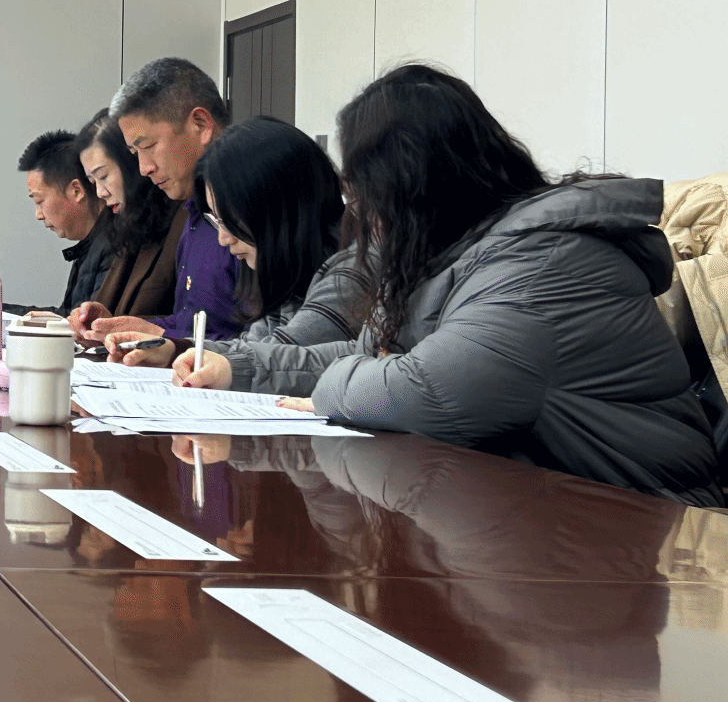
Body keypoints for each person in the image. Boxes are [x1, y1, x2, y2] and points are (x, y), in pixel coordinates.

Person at [179, 64, 721, 506]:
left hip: (651, 525)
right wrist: (238, 369)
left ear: (412, 188)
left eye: (367, 193)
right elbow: (367, 354)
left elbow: (426, 392)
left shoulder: (547, 263)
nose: (362, 214)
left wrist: (328, 391)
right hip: (553, 510)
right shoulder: (455, 256)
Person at [115, 117, 367, 373]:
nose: (223, 239)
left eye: (231, 221)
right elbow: (254, 346)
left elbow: (281, 361)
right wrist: (173, 350)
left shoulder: (351, 274)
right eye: (216, 221)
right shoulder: (288, 274)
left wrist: (181, 352)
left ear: (281, 207)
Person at [77, 56, 240, 345]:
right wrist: (129, 326)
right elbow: (188, 324)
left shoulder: (255, 208)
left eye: (149, 146)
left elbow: (270, 341)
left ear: (201, 124)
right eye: (135, 153)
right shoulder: (194, 212)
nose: (144, 168)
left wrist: (167, 338)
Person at [55, 107, 182, 334]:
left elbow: (195, 324)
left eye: (103, 176)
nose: (100, 192)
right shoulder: (128, 227)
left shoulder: (182, 221)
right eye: (93, 181)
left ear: (132, 163)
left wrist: (119, 327)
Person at [16, 130, 109, 316]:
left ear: (76, 191)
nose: (38, 215)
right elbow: (67, 315)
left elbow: (86, 325)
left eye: (39, 201)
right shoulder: (90, 246)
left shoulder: (114, 247)